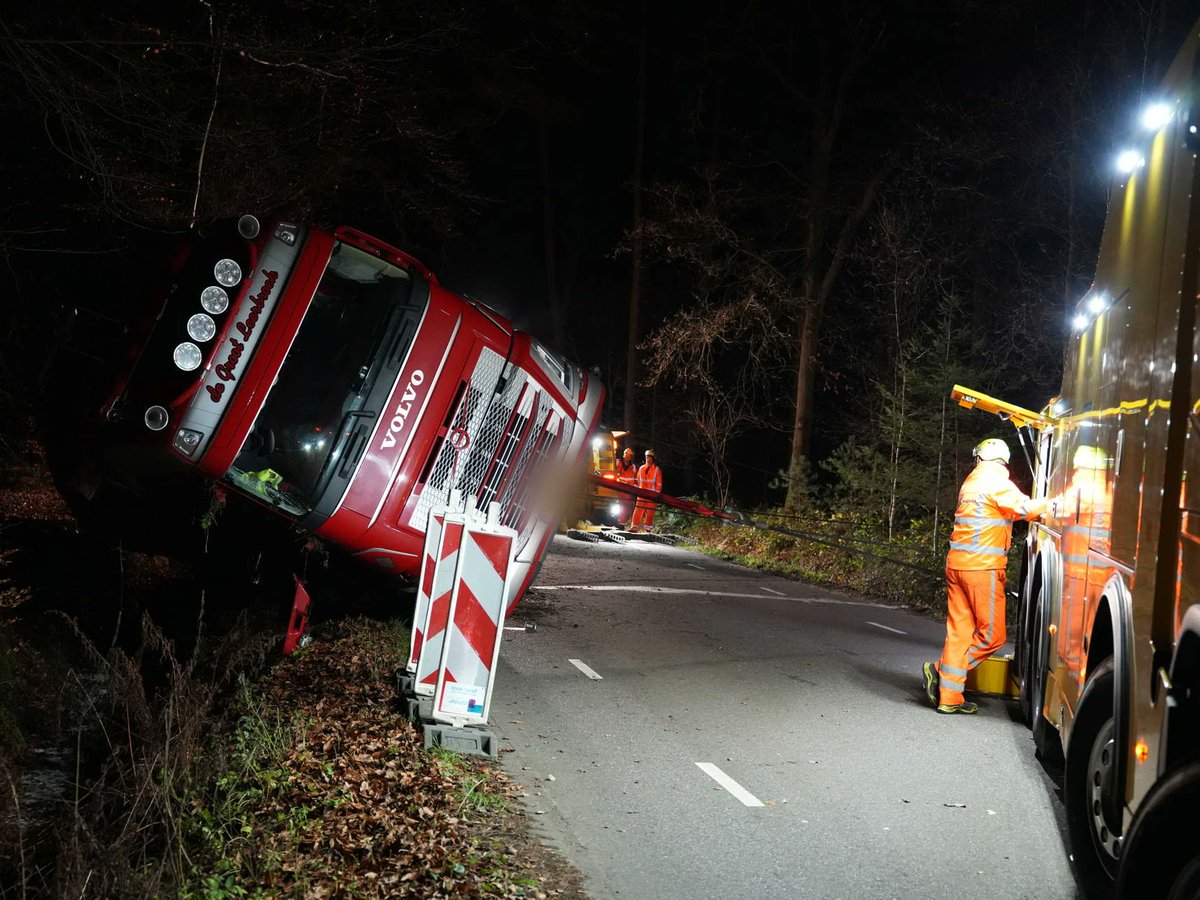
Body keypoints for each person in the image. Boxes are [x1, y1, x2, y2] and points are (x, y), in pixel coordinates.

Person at [922, 438, 1050, 714]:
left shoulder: (971, 483)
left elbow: (994, 515)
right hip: (982, 569)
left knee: (959, 633)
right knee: (992, 636)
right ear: (1002, 461)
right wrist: (1054, 505)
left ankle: (949, 699)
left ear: (979, 458)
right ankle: (941, 671)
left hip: (957, 565)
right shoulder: (996, 481)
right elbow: (1026, 509)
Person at [630, 449, 662, 533]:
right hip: (642, 494)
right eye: (647, 457)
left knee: (650, 512)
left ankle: (647, 528)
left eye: (650, 458)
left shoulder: (657, 470)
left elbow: (659, 484)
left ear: (653, 459)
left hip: (652, 495)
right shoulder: (641, 468)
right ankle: (634, 527)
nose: (648, 459)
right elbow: (638, 480)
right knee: (638, 510)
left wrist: (657, 495)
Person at [613, 447, 639, 526]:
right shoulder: (617, 463)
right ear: (624, 454)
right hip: (618, 490)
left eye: (629, 455)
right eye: (626, 454)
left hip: (628, 492)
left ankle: (622, 523)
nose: (627, 456)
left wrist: (635, 489)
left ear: (631, 457)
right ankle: (617, 522)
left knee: (627, 508)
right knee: (619, 507)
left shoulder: (634, 467)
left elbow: (636, 480)